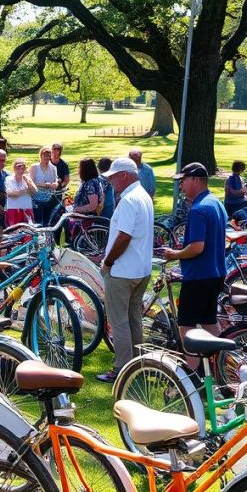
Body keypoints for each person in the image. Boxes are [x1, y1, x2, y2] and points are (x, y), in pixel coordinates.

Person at [162, 163, 228, 369]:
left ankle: (191, 374)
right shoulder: (216, 203)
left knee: (186, 326)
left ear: (196, 180)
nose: (181, 185)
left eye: (184, 180)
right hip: (216, 274)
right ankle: (226, 365)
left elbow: (197, 247)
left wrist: (175, 254)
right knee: (209, 322)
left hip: (199, 276)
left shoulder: (198, 210)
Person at [96, 157, 155, 383]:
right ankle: (137, 364)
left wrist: (108, 262)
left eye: (113, 177)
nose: (111, 181)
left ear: (124, 175)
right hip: (140, 269)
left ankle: (121, 368)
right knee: (134, 319)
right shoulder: (143, 196)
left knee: (119, 321)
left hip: (123, 271)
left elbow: (124, 236)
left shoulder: (129, 199)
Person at [29, 147, 60, 225]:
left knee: (48, 222)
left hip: (49, 199)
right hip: (36, 200)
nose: (47, 157)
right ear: (41, 155)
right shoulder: (34, 167)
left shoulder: (53, 168)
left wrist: (53, 185)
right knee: (39, 223)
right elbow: (30, 183)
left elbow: (55, 183)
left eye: (49, 155)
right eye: (45, 155)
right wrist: (44, 185)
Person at [5, 157, 37, 226]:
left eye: (23, 167)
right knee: (13, 232)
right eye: (18, 167)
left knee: (28, 233)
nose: (20, 169)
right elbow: (11, 194)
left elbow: (34, 191)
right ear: (14, 168)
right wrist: (25, 190)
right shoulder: (9, 179)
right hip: (13, 209)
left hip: (26, 208)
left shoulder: (27, 179)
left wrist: (28, 182)